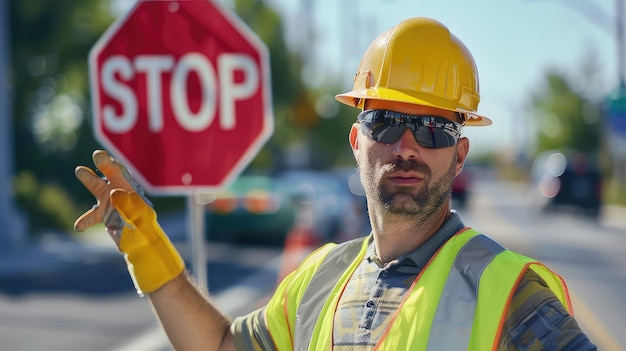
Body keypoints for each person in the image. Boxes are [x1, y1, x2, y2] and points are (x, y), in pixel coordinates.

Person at [74, 17, 597, 350]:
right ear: (356, 140)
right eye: (386, 122)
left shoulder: (508, 292)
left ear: (460, 154)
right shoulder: (321, 277)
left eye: (434, 128)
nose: (407, 146)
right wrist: (148, 251)